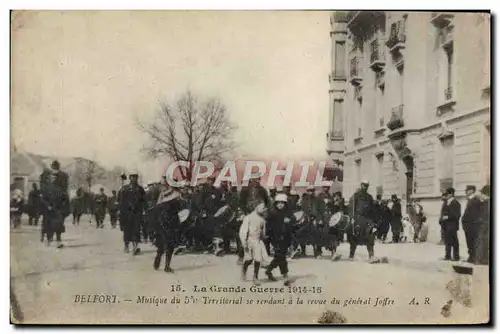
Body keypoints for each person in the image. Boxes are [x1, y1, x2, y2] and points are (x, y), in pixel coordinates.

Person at [153, 187, 183, 272]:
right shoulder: (172, 204)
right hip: (168, 226)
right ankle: (166, 265)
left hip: (164, 226)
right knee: (169, 246)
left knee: (163, 246)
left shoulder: (162, 204)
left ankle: (160, 260)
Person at [265, 194, 293, 286]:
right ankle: (285, 276)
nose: (280, 205)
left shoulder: (288, 212)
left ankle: (269, 270)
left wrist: (289, 220)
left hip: (286, 238)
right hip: (276, 238)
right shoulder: (272, 214)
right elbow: (268, 226)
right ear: (275, 204)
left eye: (282, 203)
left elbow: (294, 219)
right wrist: (271, 236)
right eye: (278, 203)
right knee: (281, 256)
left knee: (279, 256)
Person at [239, 202, 268, 285]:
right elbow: (243, 231)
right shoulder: (248, 218)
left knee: (258, 259)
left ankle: (255, 277)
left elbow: (263, 232)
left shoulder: (262, 220)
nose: (263, 210)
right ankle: (244, 270)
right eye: (262, 208)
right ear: (256, 207)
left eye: (264, 208)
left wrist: (264, 237)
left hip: (258, 241)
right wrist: (244, 242)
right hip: (249, 240)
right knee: (249, 259)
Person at [118, 172, 146, 255]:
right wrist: (120, 210)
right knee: (127, 230)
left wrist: (144, 210)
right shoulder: (124, 188)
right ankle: (126, 246)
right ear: (129, 178)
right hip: (127, 213)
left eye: (135, 177)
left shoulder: (140, 189)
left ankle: (135, 247)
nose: (134, 178)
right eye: (132, 177)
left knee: (136, 230)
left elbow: (144, 201)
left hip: (137, 212)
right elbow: (120, 200)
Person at [347, 180, 375, 259]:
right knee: (354, 237)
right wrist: (352, 218)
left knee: (370, 236)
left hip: (367, 220)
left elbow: (372, 209)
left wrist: (373, 221)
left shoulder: (369, 197)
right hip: (357, 219)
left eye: (367, 185)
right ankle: (351, 255)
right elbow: (351, 208)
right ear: (361, 185)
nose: (365, 187)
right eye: (364, 185)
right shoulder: (356, 196)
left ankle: (371, 255)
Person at [461, 185, 482, 263]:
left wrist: (468, 224)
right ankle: (471, 257)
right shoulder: (470, 200)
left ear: (472, 191)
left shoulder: (475, 200)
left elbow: (474, 214)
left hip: (471, 226)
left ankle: (473, 258)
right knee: (469, 242)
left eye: (468, 190)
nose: (466, 191)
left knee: (472, 242)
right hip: (468, 226)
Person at [439, 187, 461, 261]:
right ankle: (447, 255)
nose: (446, 195)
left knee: (454, 241)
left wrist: (446, 217)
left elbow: (457, 215)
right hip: (446, 225)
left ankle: (456, 256)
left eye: (447, 194)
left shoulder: (455, 203)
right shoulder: (446, 202)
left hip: (452, 225)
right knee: (447, 241)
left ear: (451, 194)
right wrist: (442, 219)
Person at [475, 185, 490, 265]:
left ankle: (480, 260)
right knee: (484, 243)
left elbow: (484, 215)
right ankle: (484, 260)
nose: (481, 194)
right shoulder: (484, 202)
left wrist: (479, 220)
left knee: (481, 243)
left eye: (482, 193)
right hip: (484, 226)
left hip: (484, 226)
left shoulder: (486, 203)